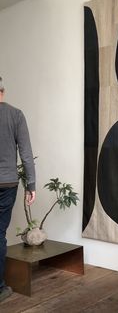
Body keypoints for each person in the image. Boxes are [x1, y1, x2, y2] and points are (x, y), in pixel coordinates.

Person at [0, 76, 36, 302]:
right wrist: (30, 185)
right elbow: (26, 153)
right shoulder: (15, 115)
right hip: (7, 184)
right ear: (2, 90)